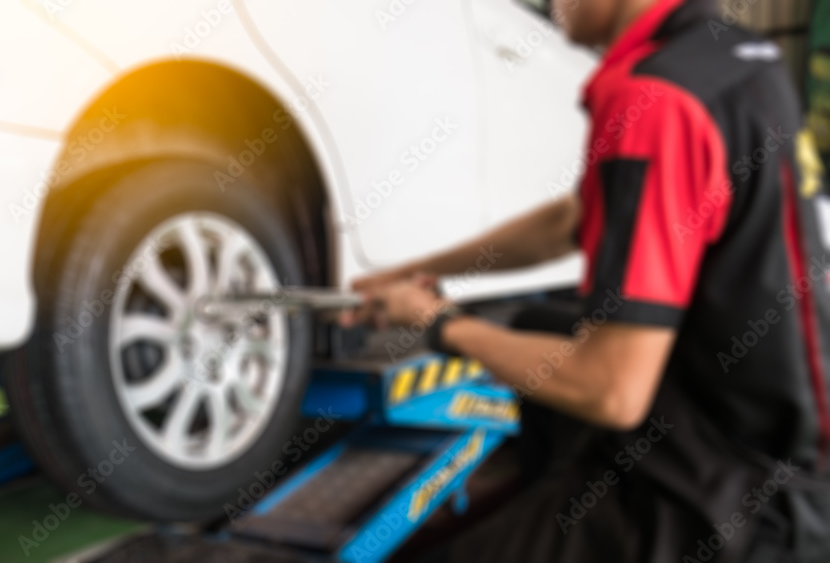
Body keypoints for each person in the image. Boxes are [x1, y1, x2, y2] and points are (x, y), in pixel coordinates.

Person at [345, 0, 830, 560]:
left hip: (730, 508)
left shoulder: (655, 97)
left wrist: (439, 324)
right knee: (536, 323)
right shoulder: (735, 55)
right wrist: (417, 272)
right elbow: (570, 221)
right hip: (780, 443)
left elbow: (613, 391)